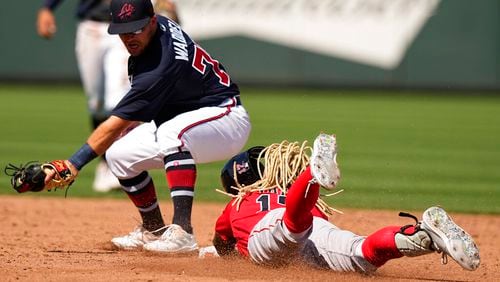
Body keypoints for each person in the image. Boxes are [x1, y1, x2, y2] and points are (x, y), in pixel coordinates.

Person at [43, 0, 251, 253]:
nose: (129, 36)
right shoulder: (159, 24)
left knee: (170, 133)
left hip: (225, 116)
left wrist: (72, 164)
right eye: (123, 30)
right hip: (190, 116)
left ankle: (182, 232)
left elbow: (114, 125)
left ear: (152, 22)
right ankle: (153, 229)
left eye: (137, 28)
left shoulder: (159, 66)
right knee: (119, 155)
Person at [212, 133, 480, 273]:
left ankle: (311, 174)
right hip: (313, 224)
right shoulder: (305, 200)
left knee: (291, 229)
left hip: (275, 227)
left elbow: (221, 243)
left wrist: (227, 254)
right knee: (362, 253)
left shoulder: (240, 201)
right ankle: (426, 235)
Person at [36, 0, 180, 192]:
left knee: (118, 100)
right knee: (96, 103)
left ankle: (117, 163)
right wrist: (48, 8)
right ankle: (105, 163)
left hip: (126, 26)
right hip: (91, 25)